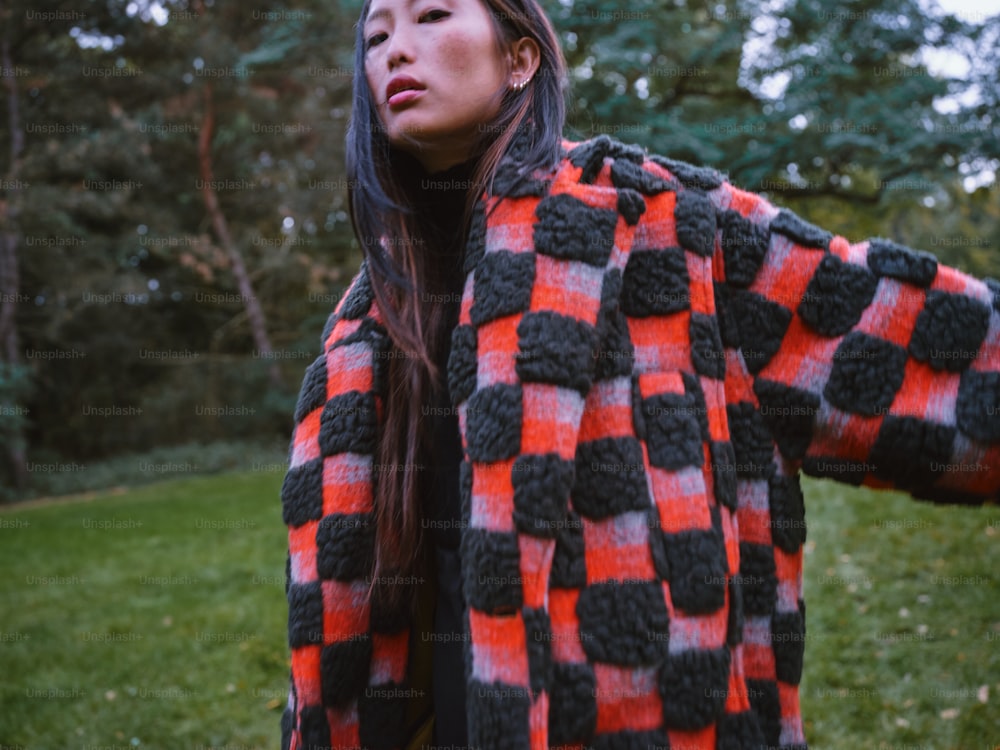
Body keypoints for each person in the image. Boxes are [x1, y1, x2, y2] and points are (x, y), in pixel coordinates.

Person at [279, 1, 1000, 748]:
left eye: (431, 15)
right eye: (376, 35)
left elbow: (896, 337)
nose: (397, 50)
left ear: (521, 59)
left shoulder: (657, 220)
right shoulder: (369, 323)